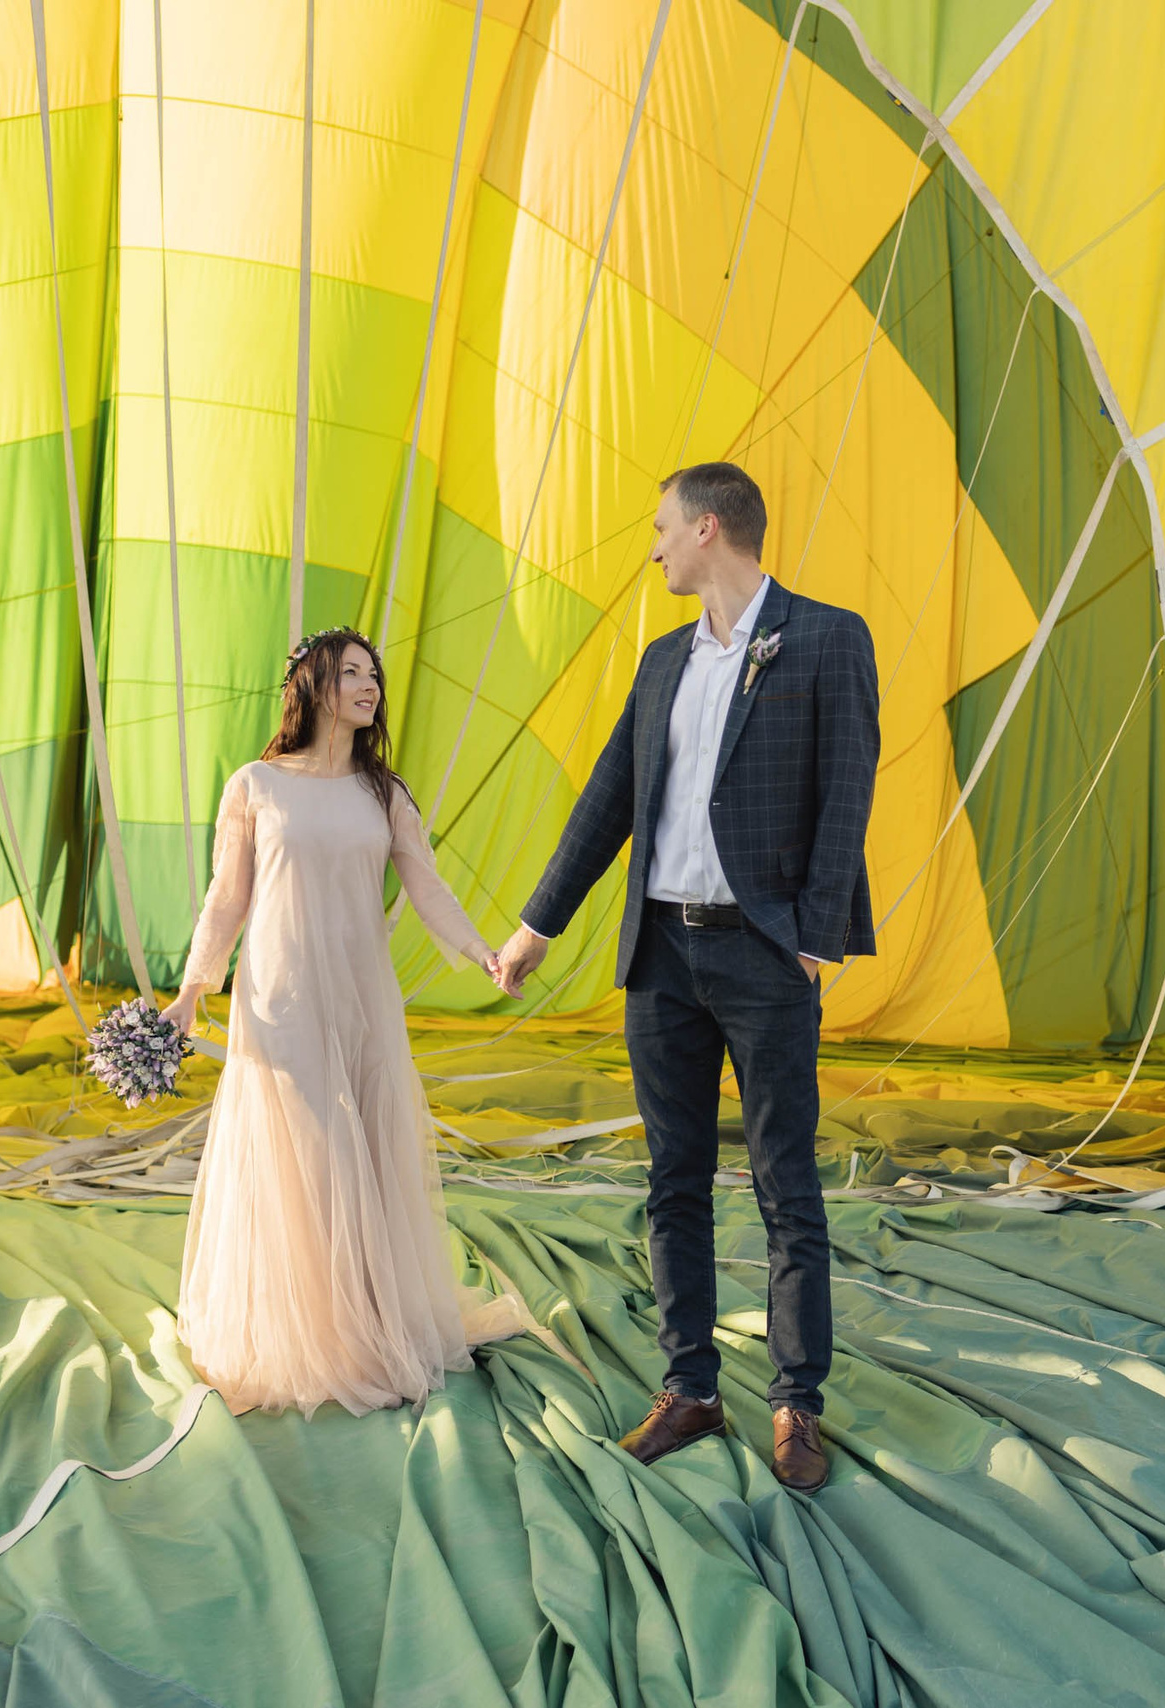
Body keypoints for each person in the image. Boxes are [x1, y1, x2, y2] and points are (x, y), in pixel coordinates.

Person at [491, 461, 879, 1493]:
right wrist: (538, 924)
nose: (652, 545)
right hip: (661, 954)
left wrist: (813, 939)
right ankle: (692, 1387)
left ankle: (796, 1402)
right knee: (673, 1183)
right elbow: (608, 798)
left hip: (763, 953)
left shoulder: (829, 638)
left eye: (662, 527)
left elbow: (848, 790)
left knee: (784, 1183)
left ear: (709, 529)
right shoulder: (662, 660)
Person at [161, 627, 522, 1415]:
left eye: (374, 674)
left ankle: (368, 1323)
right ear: (314, 686)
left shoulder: (382, 794)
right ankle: (307, 1333)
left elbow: (427, 887)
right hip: (281, 995)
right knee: (306, 1157)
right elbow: (228, 899)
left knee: (367, 1150)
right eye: (351, 672)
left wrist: (481, 951)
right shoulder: (255, 784)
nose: (369, 685)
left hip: (361, 993)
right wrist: (194, 989)